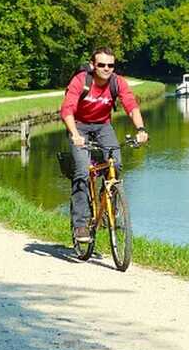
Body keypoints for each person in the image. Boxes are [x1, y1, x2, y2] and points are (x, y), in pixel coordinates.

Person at [60, 47, 148, 242]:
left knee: (115, 164)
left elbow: (131, 106)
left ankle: (108, 199)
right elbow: (67, 109)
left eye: (110, 65)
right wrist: (74, 134)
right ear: (93, 65)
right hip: (79, 126)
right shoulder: (81, 81)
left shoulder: (117, 82)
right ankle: (81, 225)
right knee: (82, 171)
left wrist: (141, 130)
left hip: (103, 126)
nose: (106, 69)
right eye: (102, 65)